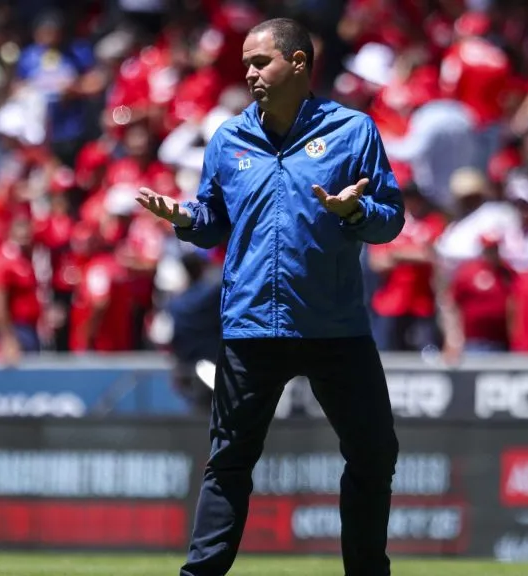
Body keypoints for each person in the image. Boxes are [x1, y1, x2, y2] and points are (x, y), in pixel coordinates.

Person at [136, 18, 405, 576]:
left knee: (374, 455)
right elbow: (212, 221)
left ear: (300, 64)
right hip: (251, 327)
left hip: (336, 328)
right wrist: (186, 219)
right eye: (246, 65)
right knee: (228, 464)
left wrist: (353, 210)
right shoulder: (228, 137)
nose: (251, 73)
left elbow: (390, 222)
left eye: (261, 62)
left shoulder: (354, 131)